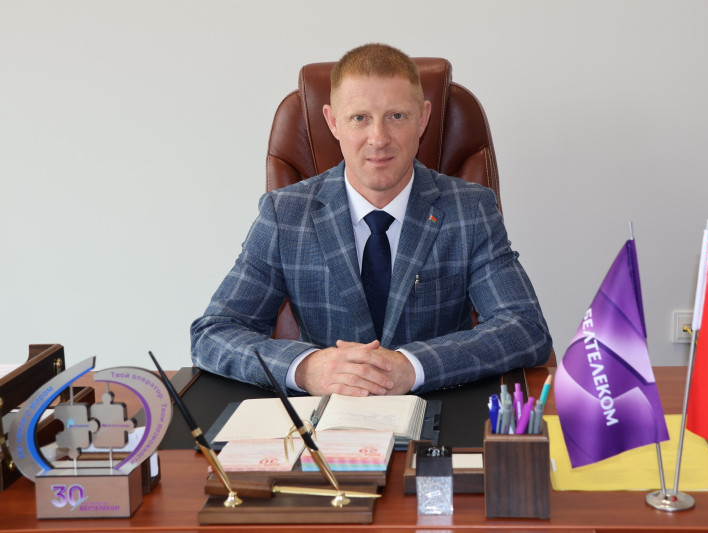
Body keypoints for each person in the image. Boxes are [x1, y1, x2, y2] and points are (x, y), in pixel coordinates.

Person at [190, 43, 551, 397]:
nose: (378, 139)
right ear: (333, 121)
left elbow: (525, 328)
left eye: (397, 116)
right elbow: (213, 334)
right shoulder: (285, 215)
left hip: (438, 413)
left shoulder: (470, 210)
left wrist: (413, 366)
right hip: (326, 420)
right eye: (360, 118)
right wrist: (306, 367)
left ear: (423, 118)